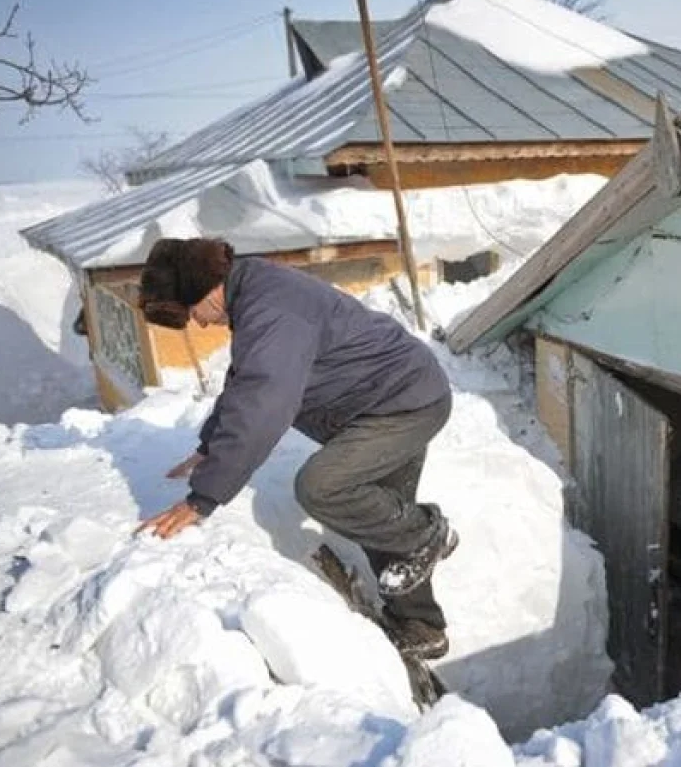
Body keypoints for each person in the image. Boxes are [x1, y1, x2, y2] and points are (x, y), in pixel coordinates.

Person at [134, 237, 458, 658]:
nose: (199, 324)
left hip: (402, 403)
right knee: (380, 513)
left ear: (207, 288)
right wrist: (211, 445)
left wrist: (203, 500)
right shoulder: (254, 294)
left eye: (193, 312)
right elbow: (246, 382)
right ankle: (420, 625)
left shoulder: (270, 309)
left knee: (322, 487)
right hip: (386, 398)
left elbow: (265, 402)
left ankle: (429, 534)